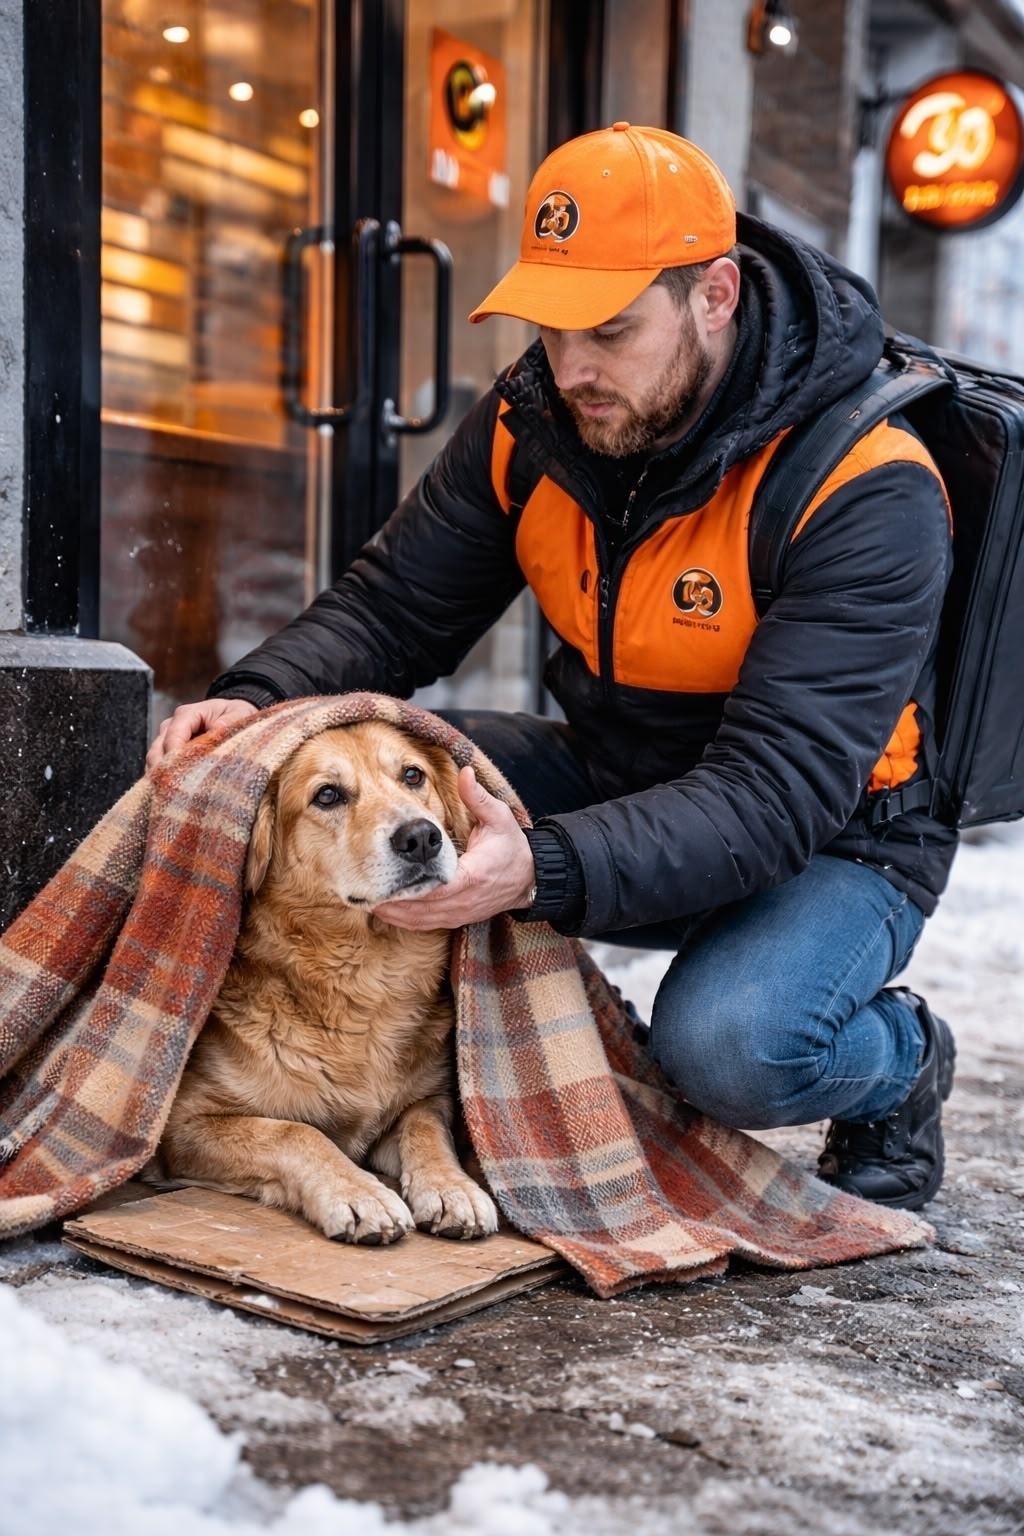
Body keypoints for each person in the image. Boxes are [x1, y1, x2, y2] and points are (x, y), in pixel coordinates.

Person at [148, 124, 956, 1211]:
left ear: (713, 295)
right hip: (624, 769)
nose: (570, 368)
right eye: (549, 327)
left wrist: (542, 866)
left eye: (610, 330)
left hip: (829, 836)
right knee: (379, 804)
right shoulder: (540, 421)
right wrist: (248, 705)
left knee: (729, 1049)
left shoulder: (867, 484)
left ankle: (900, 1060)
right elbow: (393, 611)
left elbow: (773, 795)